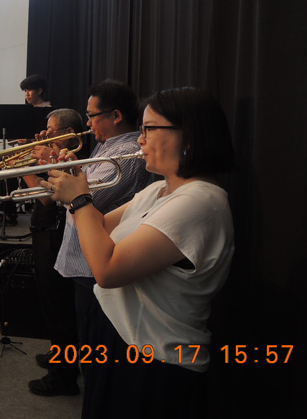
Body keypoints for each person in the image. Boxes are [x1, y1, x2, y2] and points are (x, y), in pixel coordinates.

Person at [46, 87, 235, 418]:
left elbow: (107, 271)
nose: (140, 140)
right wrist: (76, 183)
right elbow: (99, 228)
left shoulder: (200, 201)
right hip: (120, 337)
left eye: (149, 129)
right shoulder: (159, 189)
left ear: (188, 135)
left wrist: (79, 199)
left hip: (155, 358)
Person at [34, 79, 153, 396]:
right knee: (80, 334)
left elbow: (84, 201)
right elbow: (79, 190)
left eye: (92, 116)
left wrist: (57, 171)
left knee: (94, 353)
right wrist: (60, 165)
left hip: (94, 265)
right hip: (81, 258)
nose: (87, 124)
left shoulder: (126, 153)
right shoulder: (107, 147)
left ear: (115, 116)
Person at [20, 109, 86, 397]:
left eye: (51, 130)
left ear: (68, 133)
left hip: (55, 233)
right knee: (51, 303)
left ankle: (64, 375)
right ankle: (59, 355)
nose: (45, 134)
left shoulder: (72, 159)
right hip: (46, 230)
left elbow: (47, 198)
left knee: (59, 306)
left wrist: (25, 168)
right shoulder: (60, 156)